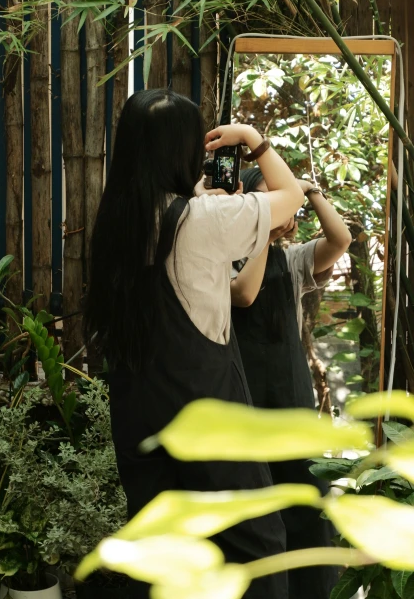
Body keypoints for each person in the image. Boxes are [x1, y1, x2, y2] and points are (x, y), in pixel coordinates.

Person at [84, 89, 304, 599]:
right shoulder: (200, 221)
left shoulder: (117, 223)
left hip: (139, 415)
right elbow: (290, 197)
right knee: (259, 548)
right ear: (182, 153)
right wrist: (253, 140)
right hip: (207, 413)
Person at [230, 166, 352, 599]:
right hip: (243, 406)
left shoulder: (294, 258)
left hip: (292, 403)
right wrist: (263, 231)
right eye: (270, 197)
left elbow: (341, 241)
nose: (283, 207)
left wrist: (310, 191)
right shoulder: (225, 259)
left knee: (308, 512)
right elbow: (243, 294)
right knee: (257, 521)